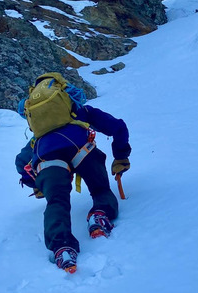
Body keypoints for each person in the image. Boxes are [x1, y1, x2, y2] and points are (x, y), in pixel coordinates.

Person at [15, 72, 131, 274]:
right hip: (82, 151)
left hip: (46, 161)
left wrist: (37, 185)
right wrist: (121, 156)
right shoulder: (80, 110)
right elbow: (117, 127)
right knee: (100, 188)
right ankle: (100, 214)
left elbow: (21, 161)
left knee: (57, 201)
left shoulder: (39, 136)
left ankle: (62, 248)